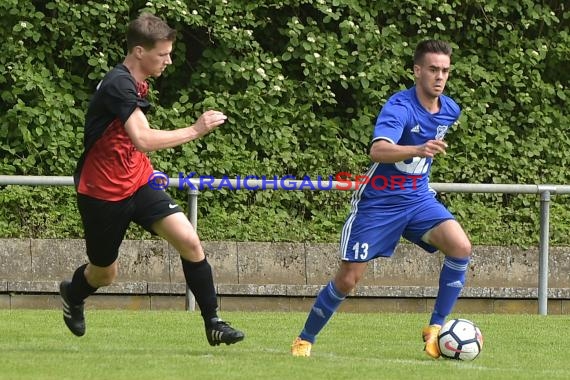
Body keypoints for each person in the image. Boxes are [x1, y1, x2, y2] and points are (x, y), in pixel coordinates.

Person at [60, 12, 244, 347]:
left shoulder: (134, 81)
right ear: (139, 52)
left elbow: (134, 144)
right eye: (163, 54)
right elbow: (142, 138)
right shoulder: (118, 83)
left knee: (189, 241)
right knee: (104, 273)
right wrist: (195, 129)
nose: (169, 61)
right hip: (103, 192)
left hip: (139, 180)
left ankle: (213, 322)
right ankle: (73, 294)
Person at [291, 40, 471, 359]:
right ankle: (304, 339)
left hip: (417, 200)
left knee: (460, 246)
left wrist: (421, 157)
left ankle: (436, 329)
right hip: (378, 204)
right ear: (417, 71)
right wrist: (417, 148)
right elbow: (378, 150)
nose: (439, 76)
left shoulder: (450, 110)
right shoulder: (399, 107)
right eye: (433, 69)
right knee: (348, 279)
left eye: (445, 70)